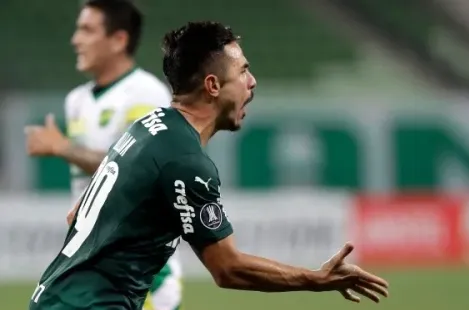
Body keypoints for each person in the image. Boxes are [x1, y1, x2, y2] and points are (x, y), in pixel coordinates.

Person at [27, 21, 389, 310]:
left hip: (56, 298)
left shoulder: (149, 127)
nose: (252, 82)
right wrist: (315, 279)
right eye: (243, 71)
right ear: (213, 85)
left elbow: (77, 215)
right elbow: (227, 268)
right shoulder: (185, 160)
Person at [24, 1, 182, 309]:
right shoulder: (76, 101)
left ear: (119, 40)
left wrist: (62, 148)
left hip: (138, 267)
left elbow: (143, 169)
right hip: (89, 260)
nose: (75, 40)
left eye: (87, 30)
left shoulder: (146, 93)